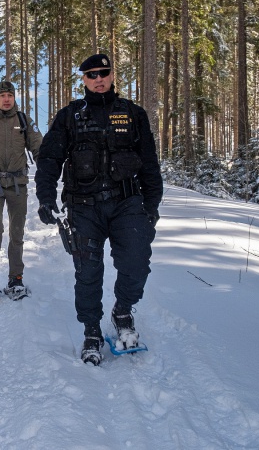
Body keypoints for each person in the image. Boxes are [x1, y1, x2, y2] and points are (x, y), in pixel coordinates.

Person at [34, 53, 162, 366]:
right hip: (84, 207)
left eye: (103, 72)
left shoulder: (133, 114)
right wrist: (46, 198)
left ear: (112, 74)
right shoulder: (70, 116)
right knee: (88, 272)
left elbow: (148, 162)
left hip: (127, 203)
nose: (99, 78)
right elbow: (49, 159)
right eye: (92, 74)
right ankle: (91, 331)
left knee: (136, 262)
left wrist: (152, 205)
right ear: (84, 80)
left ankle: (122, 311)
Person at [0, 80, 43, 300]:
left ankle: (16, 279)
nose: (6, 99)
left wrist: (47, 173)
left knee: (17, 232)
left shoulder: (24, 120)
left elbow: (39, 147)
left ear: (14, 98)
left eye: (9, 96)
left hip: (17, 184)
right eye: (2, 95)